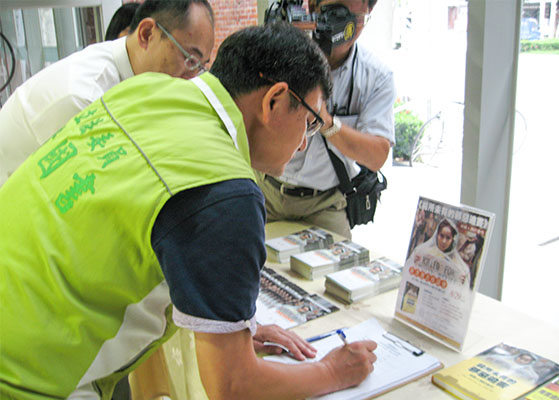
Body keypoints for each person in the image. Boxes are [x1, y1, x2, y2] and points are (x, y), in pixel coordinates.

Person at [0, 22, 377, 399]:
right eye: (310, 124)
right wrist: (330, 370)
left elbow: (135, 221)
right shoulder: (226, 189)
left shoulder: (146, 89)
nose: (302, 146)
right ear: (275, 100)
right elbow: (233, 387)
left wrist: (228, 325)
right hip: (28, 378)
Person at [0, 0, 215, 187]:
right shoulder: (84, 98)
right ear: (147, 34)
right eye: (189, 59)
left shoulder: (137, 83)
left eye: (200, 66)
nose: (191, 76)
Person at [257, 0, 397, 238]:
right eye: (335, 10)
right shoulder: (277, 56)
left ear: (368, 11)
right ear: (312, 6)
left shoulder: (376, 76)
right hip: (265, 192)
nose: (343, 22)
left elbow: (376, 156)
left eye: (352, 13)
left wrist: (327, 122)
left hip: (325, 203)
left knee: (340, 273)